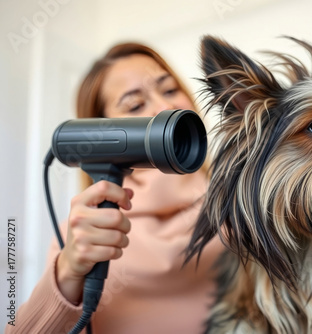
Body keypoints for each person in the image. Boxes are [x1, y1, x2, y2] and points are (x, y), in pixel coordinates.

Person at [6, 42, 224, 334]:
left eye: (170, 89)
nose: (165, 106)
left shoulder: (244, 209)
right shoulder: (82, 238)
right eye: (135, 105)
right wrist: (70, 270)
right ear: (101, 132)